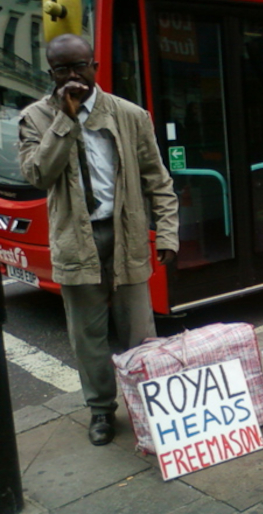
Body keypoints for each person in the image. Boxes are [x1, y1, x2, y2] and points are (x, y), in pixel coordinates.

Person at [18, 34, 179, 446]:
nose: (73, 77)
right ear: (51, 74)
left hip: (124, 233)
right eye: (62, 70)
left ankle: (148, 404)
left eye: (79, 67)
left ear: (95, 67)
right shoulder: (35, 118)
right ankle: (101, 411)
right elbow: (38, 175)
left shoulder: (129, 114)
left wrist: (167, 231)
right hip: (76, 239)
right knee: (87, 336)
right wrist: (65, 122)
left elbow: (157, 180)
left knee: (138, 331)